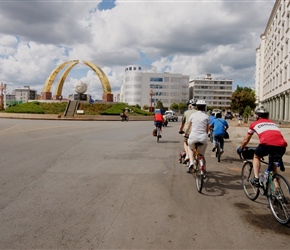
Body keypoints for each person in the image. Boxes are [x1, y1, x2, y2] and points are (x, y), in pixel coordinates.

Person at [237, 106, 288, 187]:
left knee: (256, 156)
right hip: (282, 146)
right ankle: (278, 192)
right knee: (274, 169)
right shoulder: (273, 123)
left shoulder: (254, 124)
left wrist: (241, 148)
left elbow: (246, 140)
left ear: (257, 116)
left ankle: (256, 179)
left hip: (267, 145)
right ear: (267, 116)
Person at [184, 100, 209, 173]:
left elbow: (188, 127)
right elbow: (207, 130)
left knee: (190, 148)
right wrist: (205, 135)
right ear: (204, 108)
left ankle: (191, 162)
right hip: (203, 138)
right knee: (201, 154)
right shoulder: (206, 116)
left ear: (196, 107)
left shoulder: (193, 115)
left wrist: (185, 133)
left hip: (193, 137)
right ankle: (202, 167)